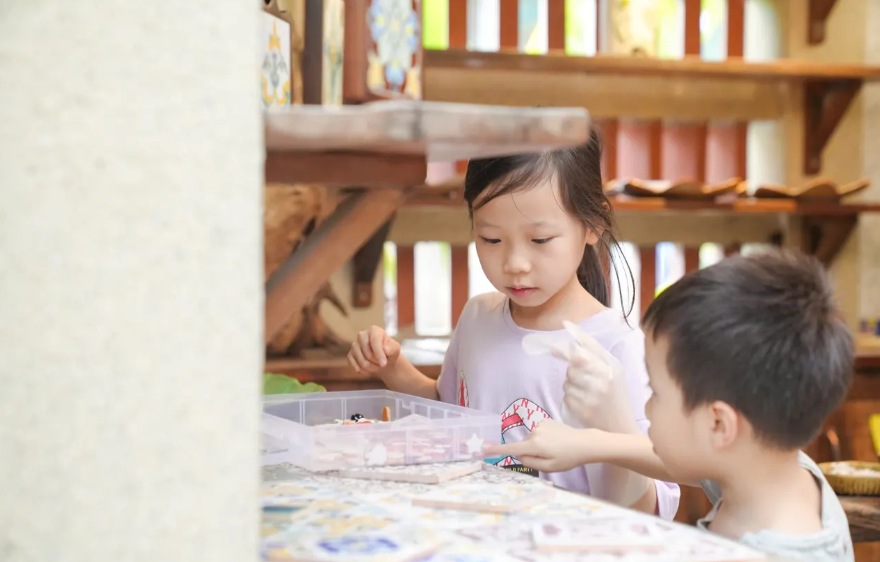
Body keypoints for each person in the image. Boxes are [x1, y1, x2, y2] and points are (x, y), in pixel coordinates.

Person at [347, 131, 680, 519]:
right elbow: (454, 414)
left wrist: (598, 438)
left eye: (539, 240)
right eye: (491, 239)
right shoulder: (477, 317)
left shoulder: (615, 345)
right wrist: (393, 369)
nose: (514, 263)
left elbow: (664, 483)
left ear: (592, 224)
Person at [487, 250, 854, 561]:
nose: (646, 409)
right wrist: (586, 444)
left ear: (718, 425)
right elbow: (676, 458)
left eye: (656, 393)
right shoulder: (776, 465)